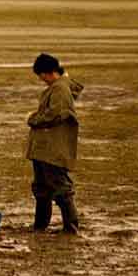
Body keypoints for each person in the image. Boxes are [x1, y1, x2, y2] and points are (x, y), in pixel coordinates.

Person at [26, 53, 83, 234]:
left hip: (52, 149)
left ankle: (71, 226)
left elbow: (56, 114)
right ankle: (40, 225)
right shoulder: (59, 88)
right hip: (45, 149)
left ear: (48, 72)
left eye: (41, 75)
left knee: (60, 187)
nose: (41, 79)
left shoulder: (59, 89)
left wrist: (33, 119)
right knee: (42, 188)